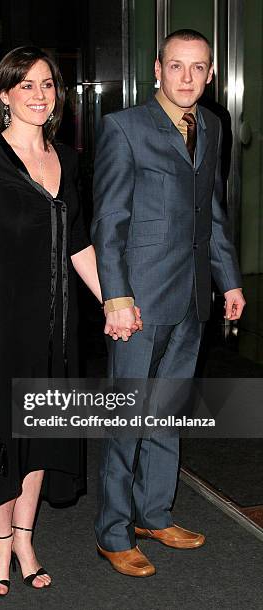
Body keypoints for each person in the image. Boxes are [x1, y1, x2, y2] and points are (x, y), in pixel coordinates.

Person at [91, 29, 246, 577]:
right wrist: (116, 296)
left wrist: (228, 281)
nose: (187, 77)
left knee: (165, 413)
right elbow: (109, 220)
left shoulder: (212, 126)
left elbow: (214, 214)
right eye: (176, 66)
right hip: (138, 299)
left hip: (192, 298)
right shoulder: (123, 127)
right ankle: (113, 531)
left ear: (210, 74)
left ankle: (154, 514)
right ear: (157, 69)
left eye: (198, 68)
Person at [0, 46, 103, 597]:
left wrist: (112, 300)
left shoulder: (67, 156)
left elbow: (79, 245)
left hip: (56, 322)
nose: (41, 96)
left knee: (41, 431)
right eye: (28, 86)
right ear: (5, 95)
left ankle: (24, 536)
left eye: (48, 85)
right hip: (1, 317)